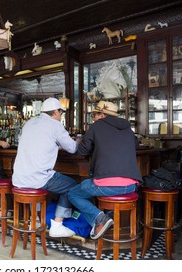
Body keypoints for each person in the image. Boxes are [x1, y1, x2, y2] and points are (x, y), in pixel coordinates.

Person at [68, 101, 142, 240]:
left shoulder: (97, 126)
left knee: (73, 194)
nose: (93, 118)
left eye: (94, 115)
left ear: (102, 114)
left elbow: (83, 150)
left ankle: (100, 218)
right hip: (132, 185)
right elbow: (135, 144)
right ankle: (108, 221)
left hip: (108, 185)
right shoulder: (127, 127)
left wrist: (85, 141)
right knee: (88, 188)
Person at [12, 97, 82, 238]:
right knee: (71, 185)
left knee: (36, 184)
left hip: (18, 177)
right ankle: (57, 225)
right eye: (61, 112)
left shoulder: (29, 122)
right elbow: (72, 148)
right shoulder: (55, 125)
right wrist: (79, 140)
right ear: (55, 112)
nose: (61, 115)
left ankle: (35, 219)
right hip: (37, 177)